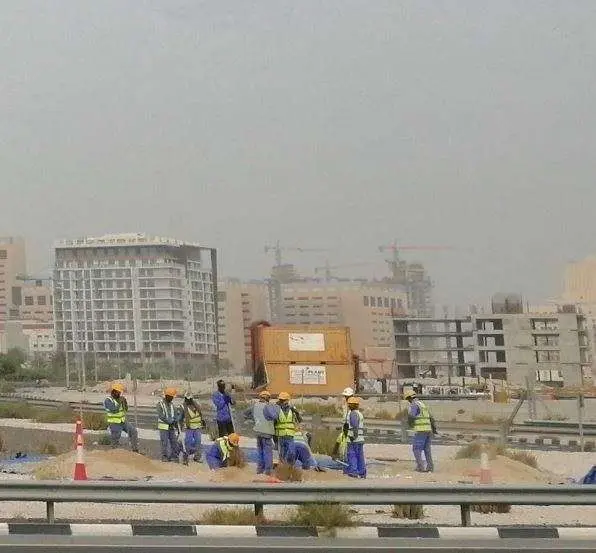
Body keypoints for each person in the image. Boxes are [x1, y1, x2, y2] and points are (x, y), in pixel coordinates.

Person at [243, 390, 278, 475]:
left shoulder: (254, 406)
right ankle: (268, 471)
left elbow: (245, 414)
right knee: (268, 452)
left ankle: (260, 470)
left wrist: (254, 419)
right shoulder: (268, 406)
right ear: (268, 398)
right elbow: (275, 417)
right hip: (267, 433)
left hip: (258, 432)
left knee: (260, 452)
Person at [103, 383, 139, 453]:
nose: (119, 393)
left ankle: (135, 450)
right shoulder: (108, 400)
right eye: (118, 392)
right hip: (114, 423)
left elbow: (125, 410)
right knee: (116, 437)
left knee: (133, 431)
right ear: (113, 392)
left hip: (123, 421)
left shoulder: (120, 399)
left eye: (120, 392)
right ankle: (114, 452)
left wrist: (125, 403)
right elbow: (113, 409)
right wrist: (120, 402)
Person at [405, 389, 435, 472]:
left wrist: (410, 424)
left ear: (409, 398)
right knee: (427, 450)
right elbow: (431, 418)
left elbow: (411, 416)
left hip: (421, 430)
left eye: (408, 399)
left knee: (416, 449)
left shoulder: (414, 405)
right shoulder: (422, 404)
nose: (408, 401)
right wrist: (433, 429)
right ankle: (430, 467)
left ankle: (420, 467)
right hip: (428, 429)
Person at [157, 388, 182, 462]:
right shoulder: (160, 404)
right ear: (167, 396)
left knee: (174, 442)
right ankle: (164, 456)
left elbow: (174, 415)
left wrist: (176, 419)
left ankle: (174, 456)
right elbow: (161, 416)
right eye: (171, 397)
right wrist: (169, 421)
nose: (172, 398)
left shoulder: (172, 405)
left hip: (171, 427)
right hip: (163, 427)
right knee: (164, 443)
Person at [344, 396, 366, 478]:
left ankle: (353, 472)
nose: (348, 406)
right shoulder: (359, 414)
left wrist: (353, 437)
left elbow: (355, 426)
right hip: (360, 440)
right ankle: (362, 473)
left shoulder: (353, 414)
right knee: (360, 457)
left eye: (349, 404)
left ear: (351, 405)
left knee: (352, 456)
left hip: (354, 440)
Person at [182, 394, 205, 464]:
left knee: (198, 442)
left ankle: (197, 457)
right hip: (189, 428)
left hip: (197, 427)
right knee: (188, 443)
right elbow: (181, 416)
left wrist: (203, 422)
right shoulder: (183, 407)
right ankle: (185, 458)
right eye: (187, 399)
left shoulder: (196, 405)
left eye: (190, 399)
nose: (189, 401)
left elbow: (200, 413)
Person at [274, 391, 296, 464]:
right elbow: (273, 423)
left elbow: (299, 420)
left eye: (284, 400)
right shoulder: (276, 409)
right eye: (281, 400)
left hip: (290, 435)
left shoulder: (292, 409)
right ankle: (283, 469)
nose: (282, 402)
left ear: (287, 400)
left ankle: (290, 467)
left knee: (292, 452)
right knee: (282, 455)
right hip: (280, 436)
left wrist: (296, 412)